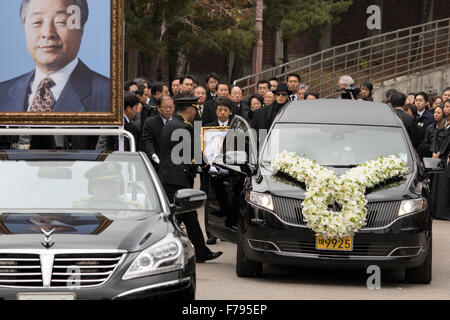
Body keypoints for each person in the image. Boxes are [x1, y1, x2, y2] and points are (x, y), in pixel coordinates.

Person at [0, 0, 110, 113]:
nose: (47, 33)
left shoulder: (110, 96)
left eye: (61, 21)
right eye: (37, 22)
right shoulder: (2, 92)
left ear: (81, 30)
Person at [159, 97, 223, 263]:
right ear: (191, 110)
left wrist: (196, 167)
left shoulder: (171, 125)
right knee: (175, 219)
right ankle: (163, 252)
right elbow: (194, 153)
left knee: (189, 217)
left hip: (171, 177)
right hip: (177, 180)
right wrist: (209, 168)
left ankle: (201, 251)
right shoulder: (183, 127)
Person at [74, 162, 142, 210]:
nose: (111, 187)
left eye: (115, 182)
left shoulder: (133, 208)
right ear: (93, 186)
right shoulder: (80, 207)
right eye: (105, 183)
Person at [141, 95, 174, 172]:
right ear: (158, 108)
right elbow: (147, 141)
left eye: (171, 107)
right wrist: (153, 154)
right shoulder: (150, 123)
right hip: (158, 163)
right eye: (165, 107)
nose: (168, 110)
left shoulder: (179, 121)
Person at [430, 99, 450, 220]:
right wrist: (434, 151)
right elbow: (436, 137)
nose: (446, 109)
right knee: (435, 184)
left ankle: (444, 213)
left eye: (448, 107)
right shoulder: (443, 122)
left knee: (444, 185)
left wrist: (443, 152)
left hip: (446, 156)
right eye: (445, 107)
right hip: (438, 157)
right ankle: (435, 211)